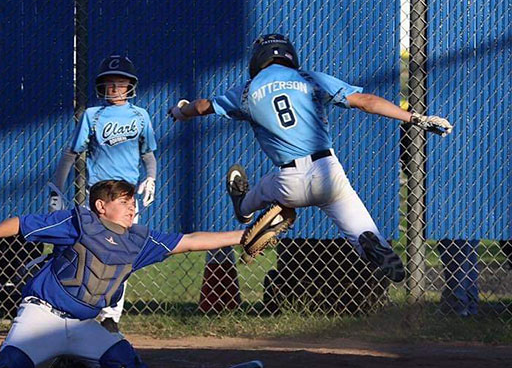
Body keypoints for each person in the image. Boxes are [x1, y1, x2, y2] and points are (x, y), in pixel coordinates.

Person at [0, 180, 251, 368]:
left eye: (133, 201)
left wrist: (246, 236)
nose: (132, 206)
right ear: (102, 206)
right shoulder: (78, 222)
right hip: (43, 316)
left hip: (86, 324)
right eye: (124, 201)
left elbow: (191, 240)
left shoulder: (141, 240)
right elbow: (23, 223)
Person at [168, 33, 454, 283]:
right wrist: (415, 117)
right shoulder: (310, 79)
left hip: (288, 182)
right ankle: (372, 245)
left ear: (258, 59)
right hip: (328, 173)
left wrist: (182, 111)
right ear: (290, 56)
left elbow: (205, 106)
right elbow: (366, 101)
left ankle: (244, 207)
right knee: (362, 232)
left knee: (266, 187)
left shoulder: (246, 90)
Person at [50, 54, 157, 332]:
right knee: (88, 251)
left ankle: (111, 316)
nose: (114, 88)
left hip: (126, 197)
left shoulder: (140, 116)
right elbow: (71, 154)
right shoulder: (92, 115)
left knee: (122, 256)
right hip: (97, 194)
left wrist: (152, 178)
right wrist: (55, 189)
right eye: (109, 83)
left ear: (130, 85)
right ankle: (82, 309)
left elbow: (148, 155)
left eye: (120, 82)